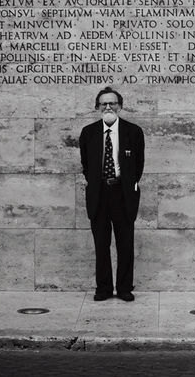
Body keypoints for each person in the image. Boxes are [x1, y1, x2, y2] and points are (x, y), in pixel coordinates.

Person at [79, 86, 144, 302]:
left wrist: (126, 183)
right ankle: (104, 288)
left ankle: (124, 288)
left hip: (122, 194)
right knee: (101, 244)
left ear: (120, 106)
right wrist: (97, 182)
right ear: (97, 107)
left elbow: (138, 165)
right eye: (104, 103)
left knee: (125, 243)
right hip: (98, 194)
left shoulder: (133, 132)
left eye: (112, 103)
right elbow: (86, 164)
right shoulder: (88, 133)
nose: (108, 107)